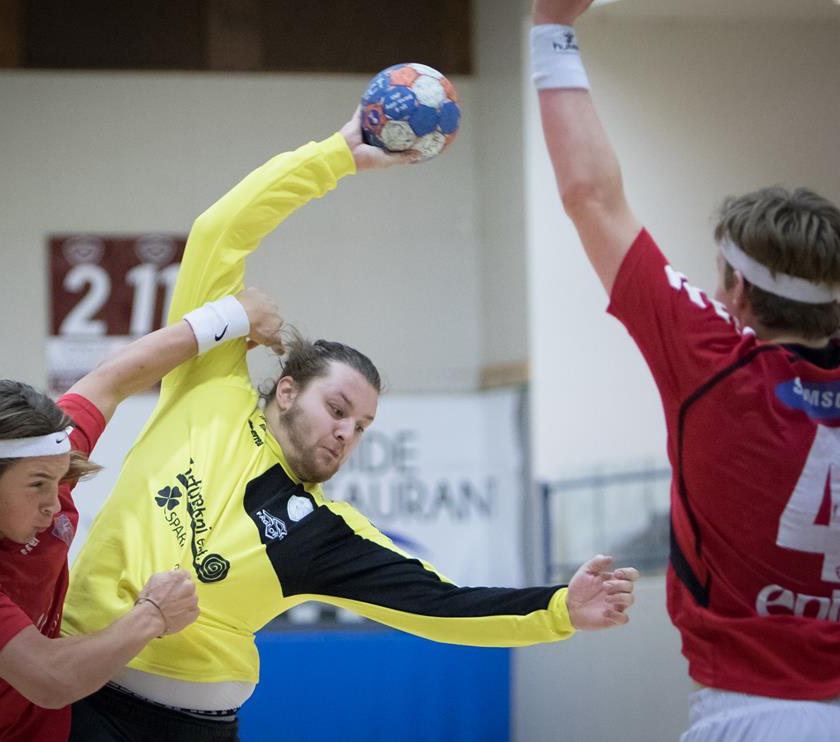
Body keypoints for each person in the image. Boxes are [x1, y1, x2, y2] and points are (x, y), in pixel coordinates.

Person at [62, 107, 640, 742]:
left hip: (192, 728)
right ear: (286, 390)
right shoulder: (209, 383)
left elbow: (441, 605)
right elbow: (218, 232)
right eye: (337, 410)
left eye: (362, 426)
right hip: (78, 693)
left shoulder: (324, 535)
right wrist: (336, 156)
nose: (347, 433)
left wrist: (559, 610)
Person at [530, 1, 840, 739]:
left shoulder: (714, 363)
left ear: (736, 292)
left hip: (750, 713)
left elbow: (591, 197)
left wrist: (551, 27)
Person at [0, 288, 284, 741]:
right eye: (37, 485)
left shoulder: (43, 461)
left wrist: (230, 315)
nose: (54, 503)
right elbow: (50, 680)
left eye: (60, 479)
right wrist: (152, 614)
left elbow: (113, 378)